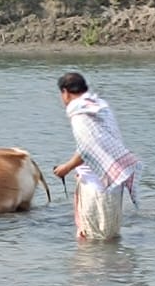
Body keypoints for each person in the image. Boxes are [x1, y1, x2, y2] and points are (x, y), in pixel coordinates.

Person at [52, 72, 142, 240]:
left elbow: (88, 148)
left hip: (95, 187)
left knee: (93, 240)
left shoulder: (80, 114)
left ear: (65, 92)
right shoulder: (99, 106)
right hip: (113, 180)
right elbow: (90, 145)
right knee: (109, 236)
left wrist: (66, 168)